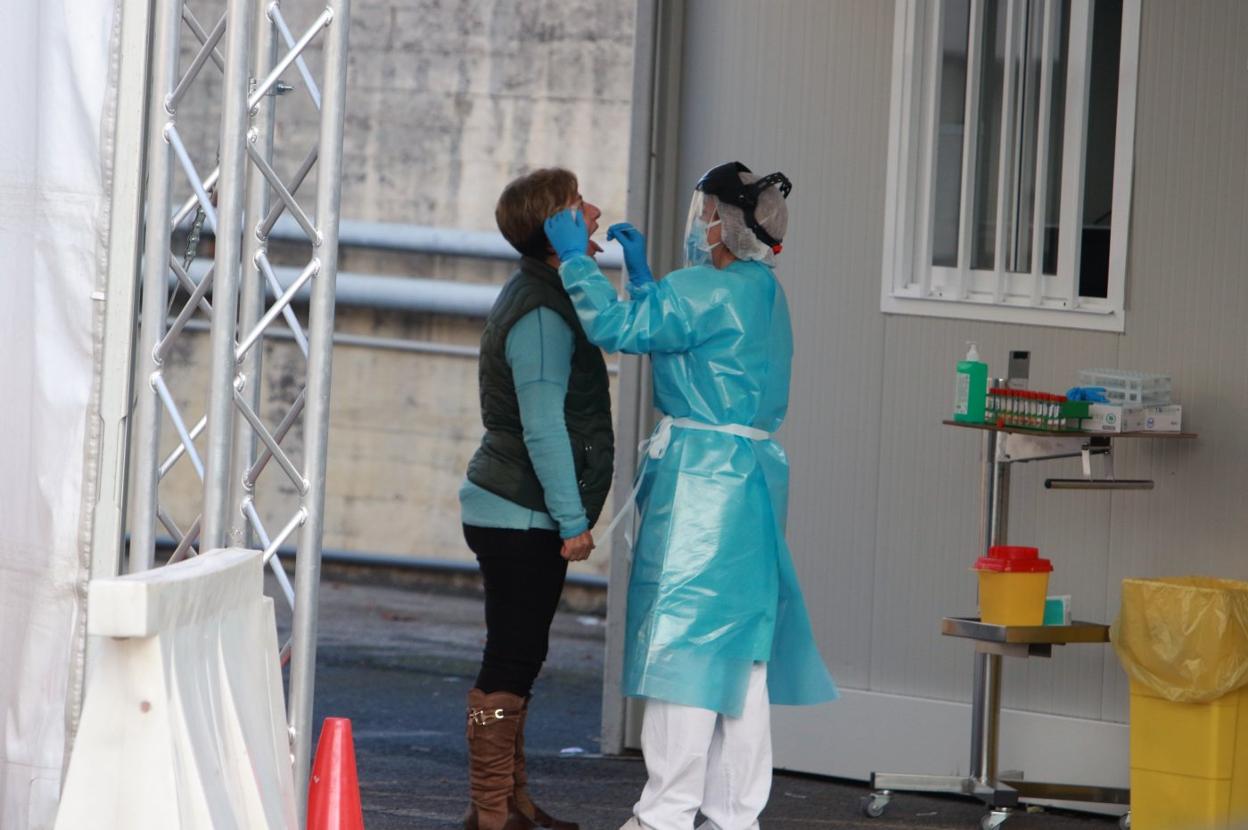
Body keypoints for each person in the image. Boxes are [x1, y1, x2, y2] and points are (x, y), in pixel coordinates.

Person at [543, 161, 838, 830]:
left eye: (704, 214)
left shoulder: (704, 288)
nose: (697, 224)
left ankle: (665, 815)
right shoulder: (761, 291)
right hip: (751, 482)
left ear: (723, 227)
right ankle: (733, 817)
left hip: (702, 485)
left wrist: (577, 263)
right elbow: (682, 336)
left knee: (684, 645)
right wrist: (647, 281)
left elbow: (620, 330)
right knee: (742, 653)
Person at [458, 167, 614, 830]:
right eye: (580, 205)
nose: (595, 212)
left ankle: (509, 803)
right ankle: (492, 811)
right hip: (521, 514)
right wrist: (573, 522)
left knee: (518, 657)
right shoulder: (543, 314)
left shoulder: (541, 291)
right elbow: (544, 426)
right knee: (511, 661)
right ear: (555, 229)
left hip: (512, 509)